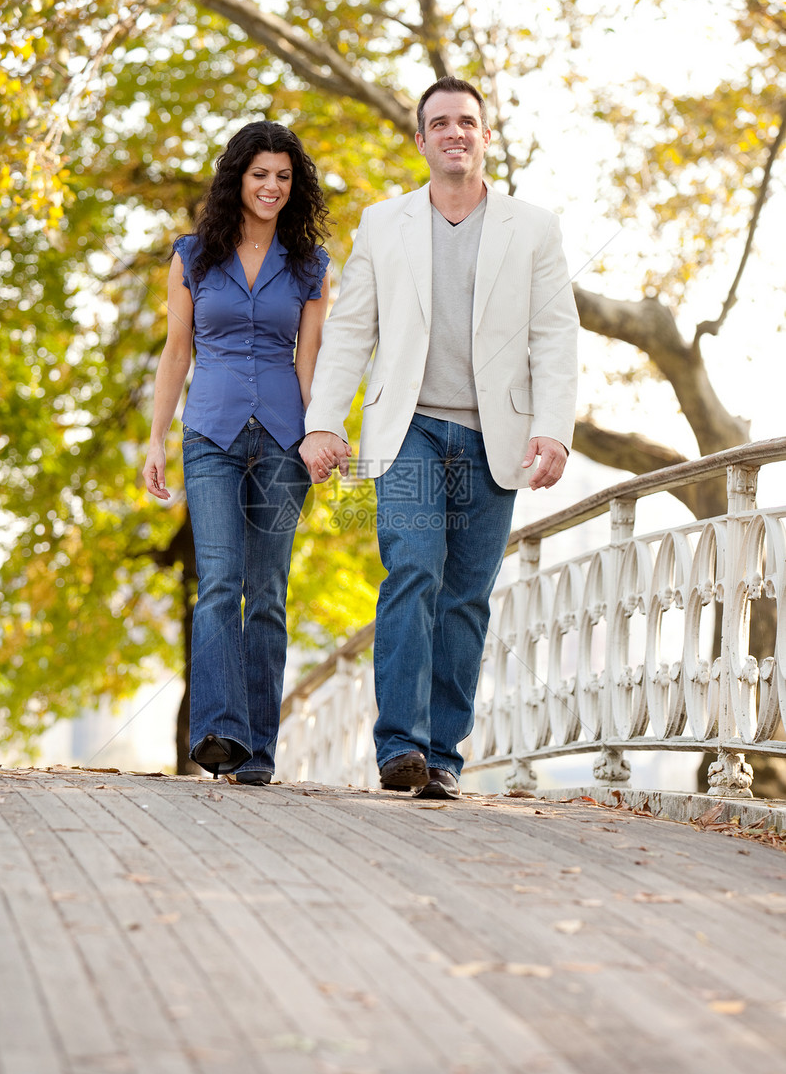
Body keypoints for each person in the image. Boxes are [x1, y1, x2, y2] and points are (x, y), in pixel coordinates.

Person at [300, 77, 578, 800]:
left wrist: (554, 428)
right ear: (421, 140)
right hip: (409, 429)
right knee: (413, 571)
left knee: (466, 598)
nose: (455, 132)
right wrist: (323, 421)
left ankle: (444, 758)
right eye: (440, 124)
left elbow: (554, 335)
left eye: (468, 122)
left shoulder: (534, 228)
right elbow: (352, 328)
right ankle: (401, 747)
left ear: (486, 137)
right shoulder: (383, 222)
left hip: (496, 433)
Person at [143, 121, 330, 784]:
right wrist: (157, 439)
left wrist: (316, 434)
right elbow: (175, 352)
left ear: (294, 185)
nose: (271, 187)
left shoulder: (309, 266)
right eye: (260, 175)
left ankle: (258, 753)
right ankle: (220, 732)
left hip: (283, 440)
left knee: (269, 594)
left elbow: (310, 360)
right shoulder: (193, 256)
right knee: (219, 584)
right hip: (212, 437)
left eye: (283, 176)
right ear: (237, 180)